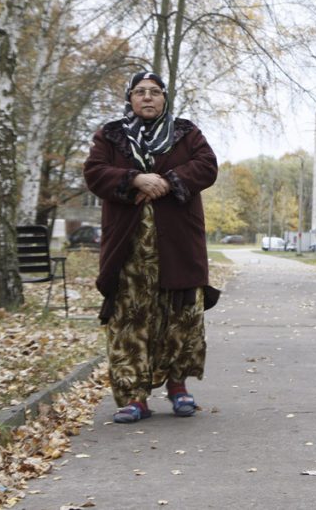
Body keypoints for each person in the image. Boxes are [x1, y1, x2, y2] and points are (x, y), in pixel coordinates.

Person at [83, 71, 220, 424]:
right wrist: (133, 179)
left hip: (178, 245)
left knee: (180, 317)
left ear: (164, 98)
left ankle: (178, 388)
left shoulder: (186, 132)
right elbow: (95, 172)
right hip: (127, 248)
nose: (147, 98)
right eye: (140, 92)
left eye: (154, 92)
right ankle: (135, 398)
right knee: (129, 320)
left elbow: (207, 166)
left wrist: (167, 181)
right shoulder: (110, 135)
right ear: (130, 98)